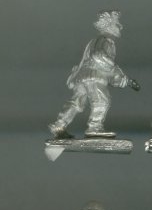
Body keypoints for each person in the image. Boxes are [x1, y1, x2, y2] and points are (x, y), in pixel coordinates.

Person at [49, 10, 139, 139]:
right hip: (94, 76)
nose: (121, 26)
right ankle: (94, 127)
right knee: (102, 100)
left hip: (84, 76)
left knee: (77, 102)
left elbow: (101, 64)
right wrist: (115, 70)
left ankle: (59, 125)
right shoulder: (105, 40)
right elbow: (98, 56)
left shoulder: (95, 41)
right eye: (117, 24)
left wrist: (121, 80)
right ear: (108, 26)